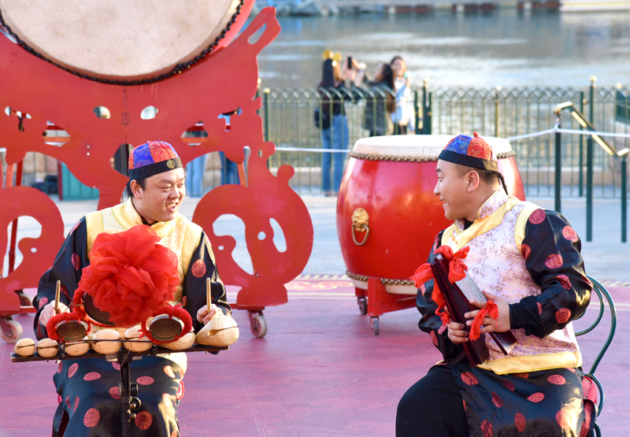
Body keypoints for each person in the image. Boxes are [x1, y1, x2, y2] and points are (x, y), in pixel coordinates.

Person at [396, 133, 592, 437]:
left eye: (440, 178)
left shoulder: (533, 222)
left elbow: (572, 290)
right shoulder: (445, 240)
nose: (435, 190)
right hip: (472, 372)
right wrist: (449, 331)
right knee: (418, 405)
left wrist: (510, 316)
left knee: (549, 424)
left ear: (471, 180)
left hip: (543, 369)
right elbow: (429, 309)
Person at [34, 141, 231, 437]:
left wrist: (210, 315)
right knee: (93, 402)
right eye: (165, 187)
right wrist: (50, 308)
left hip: (160, 349)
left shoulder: (191, 236)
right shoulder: (91, 227)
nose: (176, 195)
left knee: (153, 405)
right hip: (91, 347)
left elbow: (211, 302)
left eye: (180, 185)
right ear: (136, 189)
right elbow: (56, 288)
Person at [316, 53, 352, 196]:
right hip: (337, 121)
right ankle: (338, 189)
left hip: (325, 123)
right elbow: (351, 98)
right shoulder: (339, 86)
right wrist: (346, 79)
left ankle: (326, 189)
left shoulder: (321, 86)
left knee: (326, 158)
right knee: (338, 158)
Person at [354, 62, 396, 137]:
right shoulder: (383, 85)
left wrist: (356, 84)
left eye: (378, 69)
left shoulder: (383, 89)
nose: (376, 71)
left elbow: (364, 95)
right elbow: (371, 83)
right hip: (378, 127)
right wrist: (360, 71)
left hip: (380, 129)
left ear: (384, 74)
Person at [390, 56, 414, 135]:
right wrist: (405, 88)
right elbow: (397, 102)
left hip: (404, 124)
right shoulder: (390, 83)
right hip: (393, 123)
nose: (398, 67)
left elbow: (409, 106)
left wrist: (412, 127)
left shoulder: (404, 83)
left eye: (400, 64)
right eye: (395, 64)